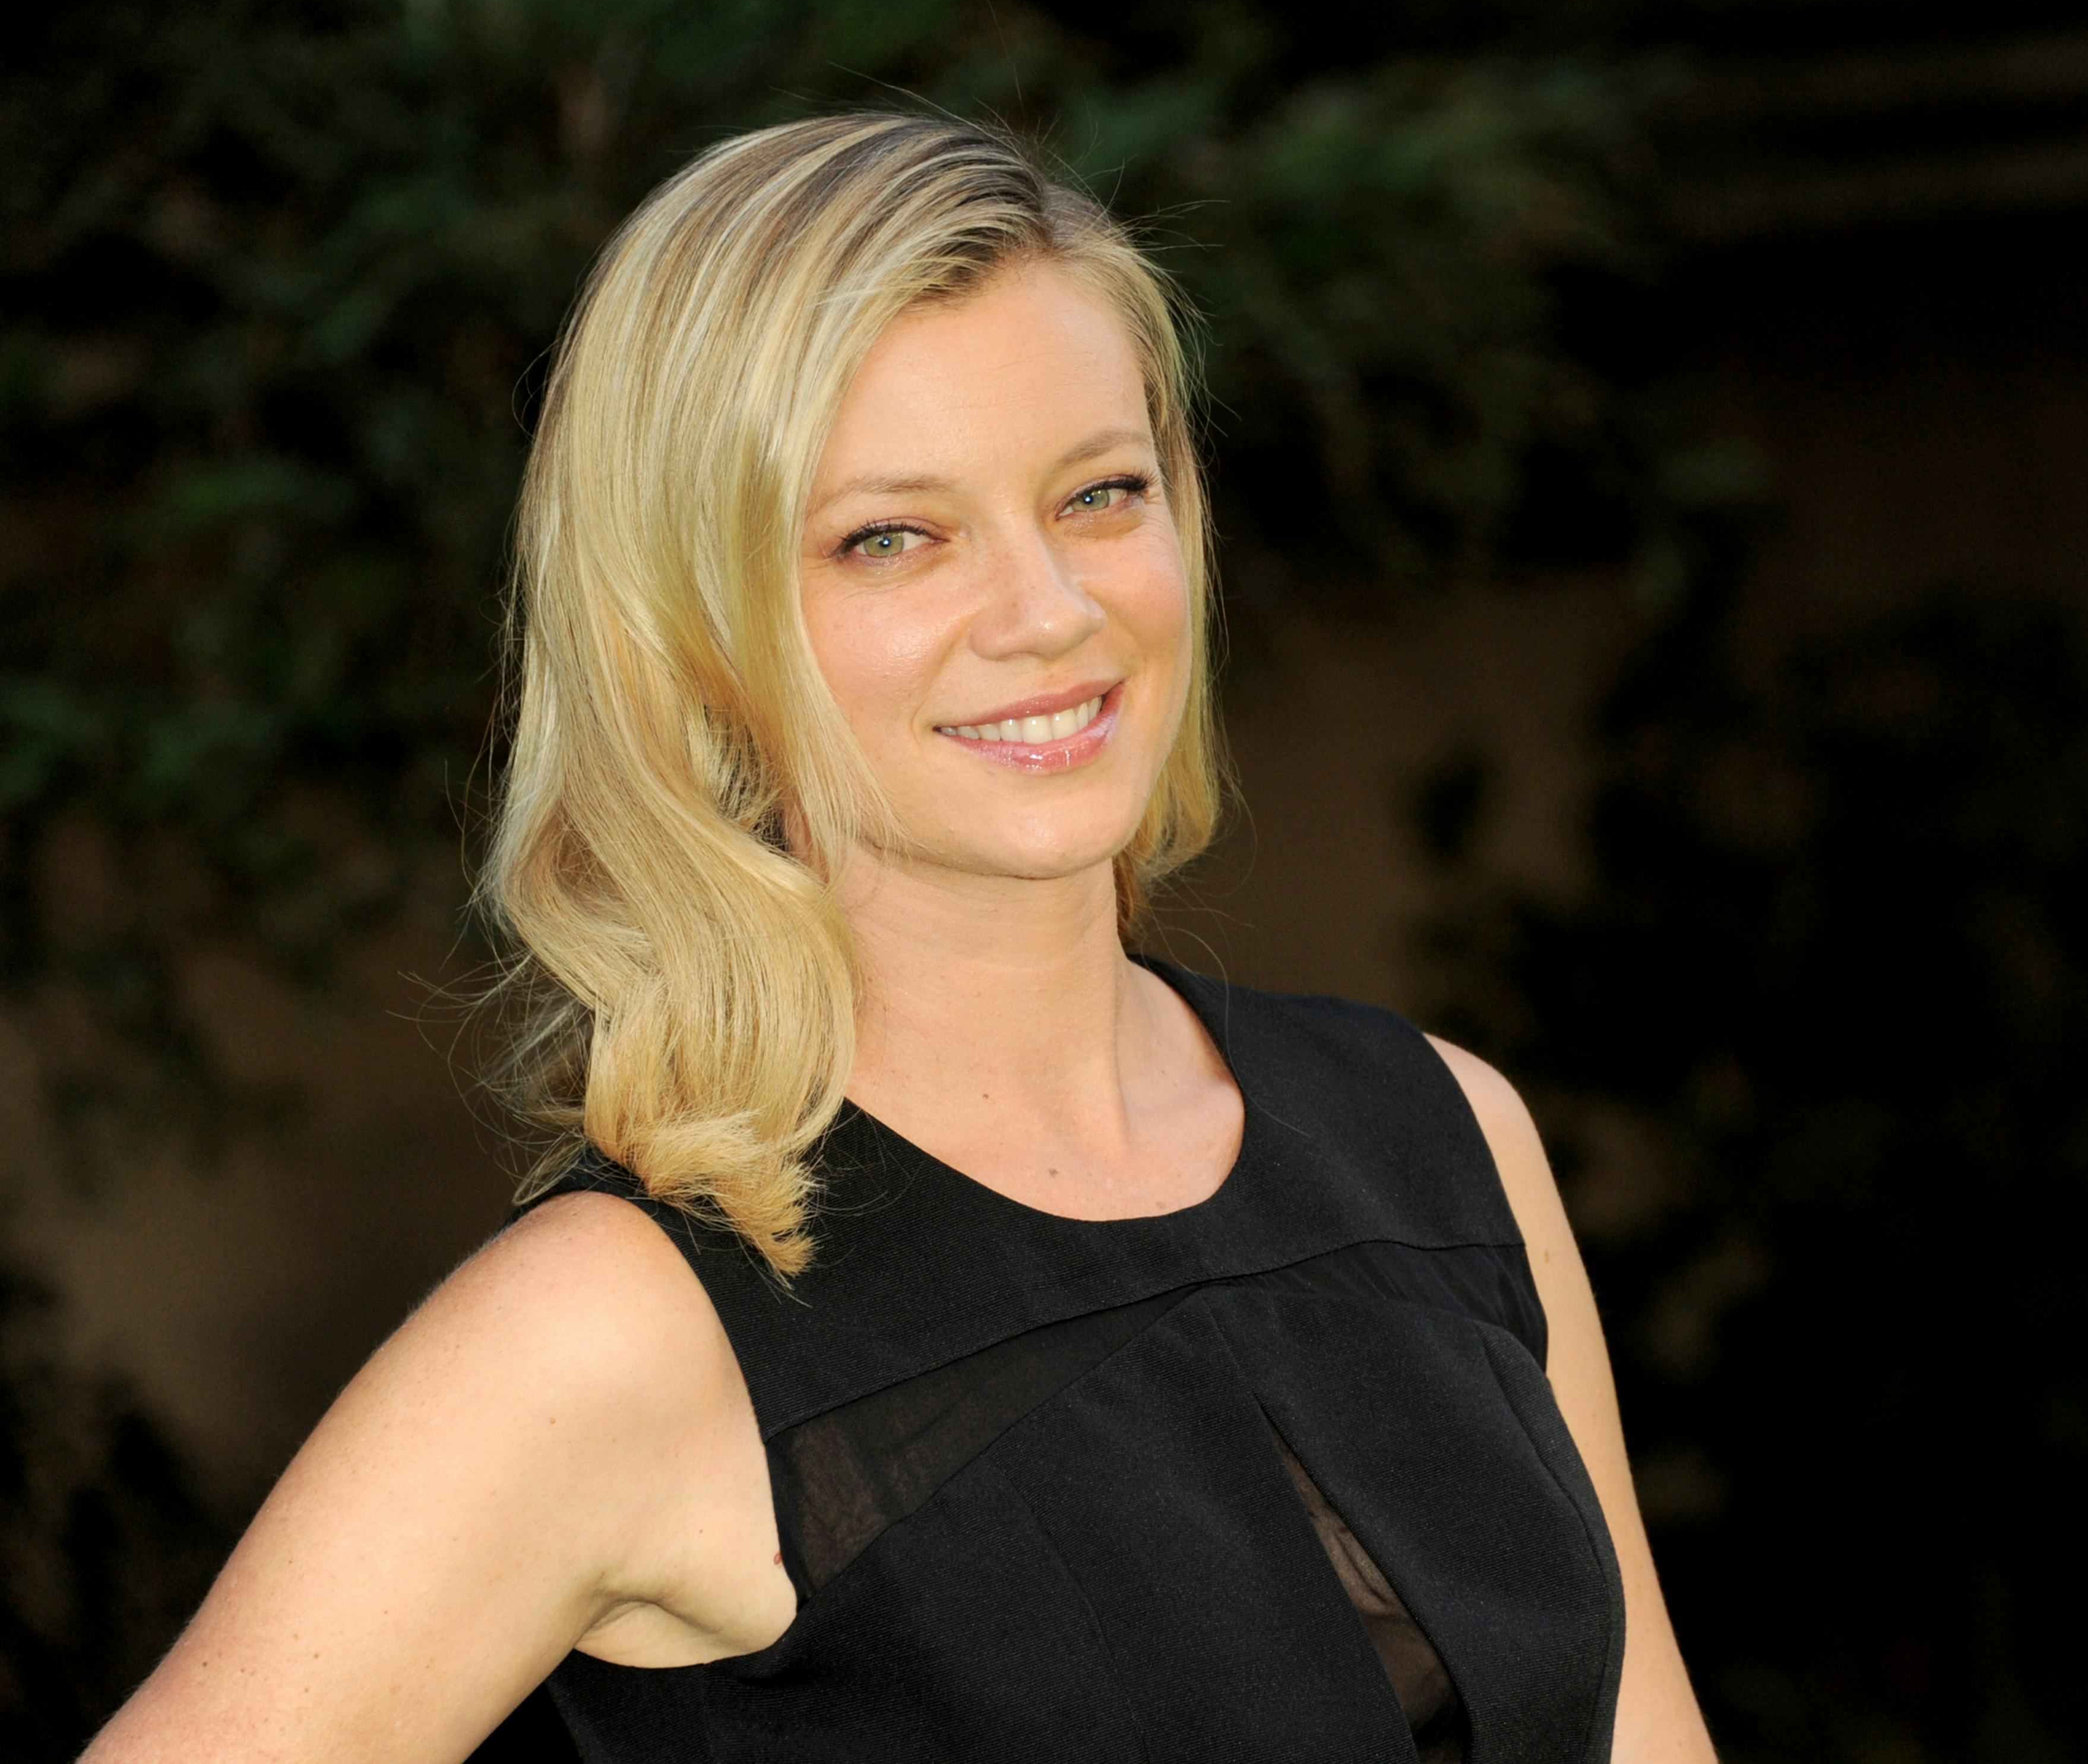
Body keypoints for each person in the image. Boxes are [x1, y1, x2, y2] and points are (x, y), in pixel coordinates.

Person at [83, 111, 1716, 1764]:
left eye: (1101, 494)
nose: (1050, 611)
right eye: (892, 537)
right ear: (691, 635)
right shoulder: (611, 1334)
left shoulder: (1443, 1139)